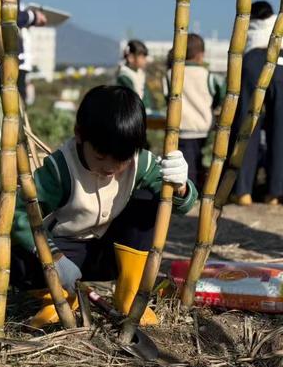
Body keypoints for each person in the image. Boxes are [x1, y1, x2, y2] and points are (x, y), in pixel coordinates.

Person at [11, 85, 197, 328]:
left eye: (120, 160)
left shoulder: (141, 162)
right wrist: (53, 257)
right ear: (80, 134)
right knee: (18, 260)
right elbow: (20, 215)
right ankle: (61, 299)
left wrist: (181, 186)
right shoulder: (60, 169)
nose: (110, 168)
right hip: (68, 252)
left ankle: (129, 296)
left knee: (150, 201)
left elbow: (181, 207)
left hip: (111, 251)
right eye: (100, 157)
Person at [230, 1, 282, 206]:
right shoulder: (277, 25)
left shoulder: (249, 28)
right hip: (280, 63)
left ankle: (243, 191)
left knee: (248, 126)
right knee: (280, 130)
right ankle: (276, 193)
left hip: (253, 62)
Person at [165, 34, 224, 190]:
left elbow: (167, 98)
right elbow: (221, 95)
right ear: (200, 55)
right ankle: (202, 190)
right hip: (204, 128)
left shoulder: (171, 74)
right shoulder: (207, 75)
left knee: (186, 165)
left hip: (180, 128)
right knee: (203, 163)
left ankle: (188, 193)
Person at [117, 39, 153, 111]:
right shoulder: (124, 77)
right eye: (142, 57)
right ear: (131, 58)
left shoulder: (140, 74)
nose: (145, 60)